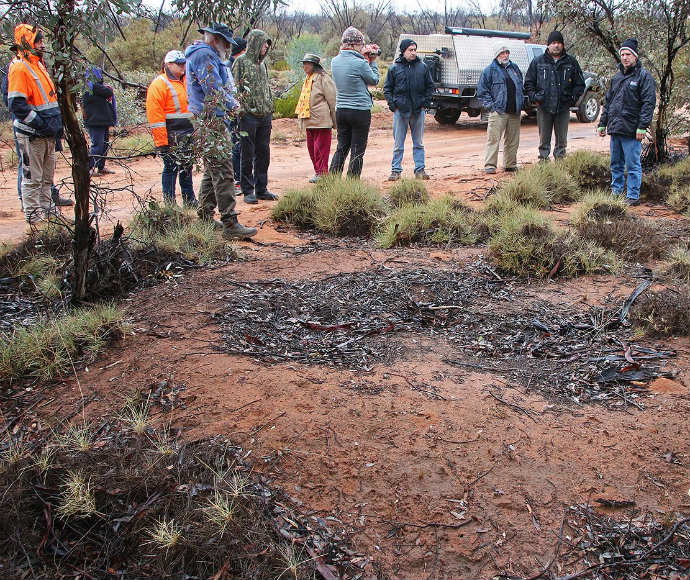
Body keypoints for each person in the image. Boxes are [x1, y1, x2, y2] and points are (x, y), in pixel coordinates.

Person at [185, 23, 256, 239]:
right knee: (224, 170)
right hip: (210, 119)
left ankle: (205, 217)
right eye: (226, 42)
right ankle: (230, 223)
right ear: (216, 39)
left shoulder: (205, 54)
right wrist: (234, 105)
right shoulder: (205, 55)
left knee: (213, 168)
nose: (227, 47)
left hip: (210, 117)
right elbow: (213, 89)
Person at [8, 24, 65, 225]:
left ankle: (49, 218)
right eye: (38, 41)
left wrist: (56, 126)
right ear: (27, 42)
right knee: (32, 179)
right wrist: (41, 124)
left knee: (46, 180)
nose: (42, 45)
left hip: (48, 134)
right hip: (32, 135)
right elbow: (17, 104)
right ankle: (34, 221)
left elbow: (47, 100)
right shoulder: (19, 67)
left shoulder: (38, 65)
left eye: (42, 41)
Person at [598, 39, 656, 206]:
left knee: (632, 165)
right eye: (622, 54)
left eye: (628, 54)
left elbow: (648, 103)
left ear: (635, 56)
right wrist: (603, 123)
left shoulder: (644, 77)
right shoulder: (616, 78)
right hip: (615, 129)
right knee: (615, 164)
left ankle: (633, 195)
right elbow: (608, 102)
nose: (624, 57)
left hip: (632, 130)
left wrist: (642, 126)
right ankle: (616, 192)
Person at [146, 50, 197, 207]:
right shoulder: (159, 84)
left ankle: (189, 200)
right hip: (171, 135)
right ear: (168, 65)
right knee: (171, 168)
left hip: (188, 134)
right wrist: (161, 142)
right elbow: (156, 116)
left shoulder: (187, 81)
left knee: (187, 168)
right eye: (179, 63)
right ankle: (170, 203)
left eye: (184, 63)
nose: (183, 66)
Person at [524, 30, 585, 161]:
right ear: (548, 45)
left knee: (561, 142)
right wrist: (535, 97)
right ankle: (543, 166)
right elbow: (528, 83)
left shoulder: (571, 62)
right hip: (544, 108)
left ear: (562, 45)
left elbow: (580, 84)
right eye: (553, 43)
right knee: (543, 141)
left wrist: (572, 99)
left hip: (563, 108)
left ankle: (560, 165)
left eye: (559, 43)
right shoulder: (538, 62)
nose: (556, 45)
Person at [233, 29, 277, 204]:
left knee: (263, 153)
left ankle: (261, 189)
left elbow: (266, 88)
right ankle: (247, 190)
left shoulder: (263, 64)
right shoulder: (241, 62)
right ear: (255, 43)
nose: (266, 46)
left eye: (267, 44)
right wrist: (241, 111)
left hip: (264, 115)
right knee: (247, 153)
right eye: (264, 43)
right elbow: (234, 88)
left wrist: (270, 106)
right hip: (248, 116)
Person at [329, 26, 379, 177]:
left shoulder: (334, 61)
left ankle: (332, 180)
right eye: (361, 45)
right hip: (359, 111)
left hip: (341, 110)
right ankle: (352, 183)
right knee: (357, 150)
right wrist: (372, 61)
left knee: (342, 147)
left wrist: (363, 57)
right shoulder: (361, 63)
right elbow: (374, 80)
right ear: (354, 45)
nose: (362, 47)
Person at [383, 38, 433, 181]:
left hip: (418, 111)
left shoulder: (422, 67)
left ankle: (420, 170)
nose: (413, 53)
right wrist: (393, 105)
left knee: (419, 143)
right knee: (398, 144)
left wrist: (425, 103)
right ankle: (396, 170)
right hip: (401, 111)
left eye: (414, 50)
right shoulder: (394, 68)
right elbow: (387, 88)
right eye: (410, 50)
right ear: (403, 51)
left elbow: (430, 86)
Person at [477, 44, 524, 174]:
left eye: (507, 53)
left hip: (514, 111)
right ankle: (490, 165)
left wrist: (521, 103)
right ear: (497, 55)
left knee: (513, 140)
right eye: (502, 53)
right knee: (493, 139)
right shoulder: (489, 70)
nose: (505, 55)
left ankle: (510, 164)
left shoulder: (514, 68)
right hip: (498, 111)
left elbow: (521, 86)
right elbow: (482, 92)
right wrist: (492, 107)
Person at [295, 53, 336, 183]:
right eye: (304, 63)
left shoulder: (323, 78)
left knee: (321, 149)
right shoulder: (308, 78)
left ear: (314, 65)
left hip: (321, 121)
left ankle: (322, 174)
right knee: (312, 149)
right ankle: (318, 173)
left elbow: (332, 100)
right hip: (309, 120)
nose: (304, 66)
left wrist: (335, 122)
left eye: (307, 63)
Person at [82, 66, 116, 175]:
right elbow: (108, 92)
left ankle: (101, 167)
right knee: (98, 145)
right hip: (95, 121)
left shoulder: (96, 87)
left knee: (104, 144)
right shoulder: (90, 87)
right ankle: (91, 168)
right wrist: (108, 89)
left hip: (102, 121)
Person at [228, 38, 247, 193]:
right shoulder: (231, 66)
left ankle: (240, 180)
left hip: (236, 111)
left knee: (239, 145)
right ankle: (237, 181)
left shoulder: (229, 64)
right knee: (237, 145)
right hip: (233, 112)